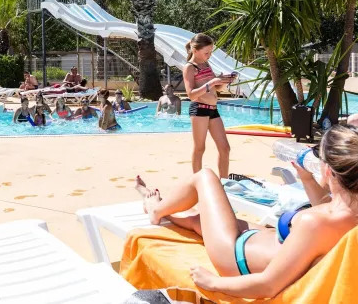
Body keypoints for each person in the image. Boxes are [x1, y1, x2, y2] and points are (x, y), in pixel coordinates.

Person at [135, 124, 358, 298]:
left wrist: (213, 282)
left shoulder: (314, 223)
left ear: (328, 171)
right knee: (200, 220)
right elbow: (326, 211)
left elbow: (268, 285)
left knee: (205, 177)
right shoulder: (345, 217)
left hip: (236, 259)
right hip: (262, 241)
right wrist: (307, 179)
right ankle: (167, 210)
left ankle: (156, 210)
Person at [183, 33, 234, 178]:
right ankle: (198, 183)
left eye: (211, 52)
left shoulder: (205, 64)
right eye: (207, 52)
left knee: (225, 148)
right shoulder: (190, 67)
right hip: (199, 109)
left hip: (213, 110)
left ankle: (224, 183)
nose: (209, 55)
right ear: (195, 50)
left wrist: (223, 81)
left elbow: (215, 89)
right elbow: (191, 94)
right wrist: (212, 82)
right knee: (200, 148)